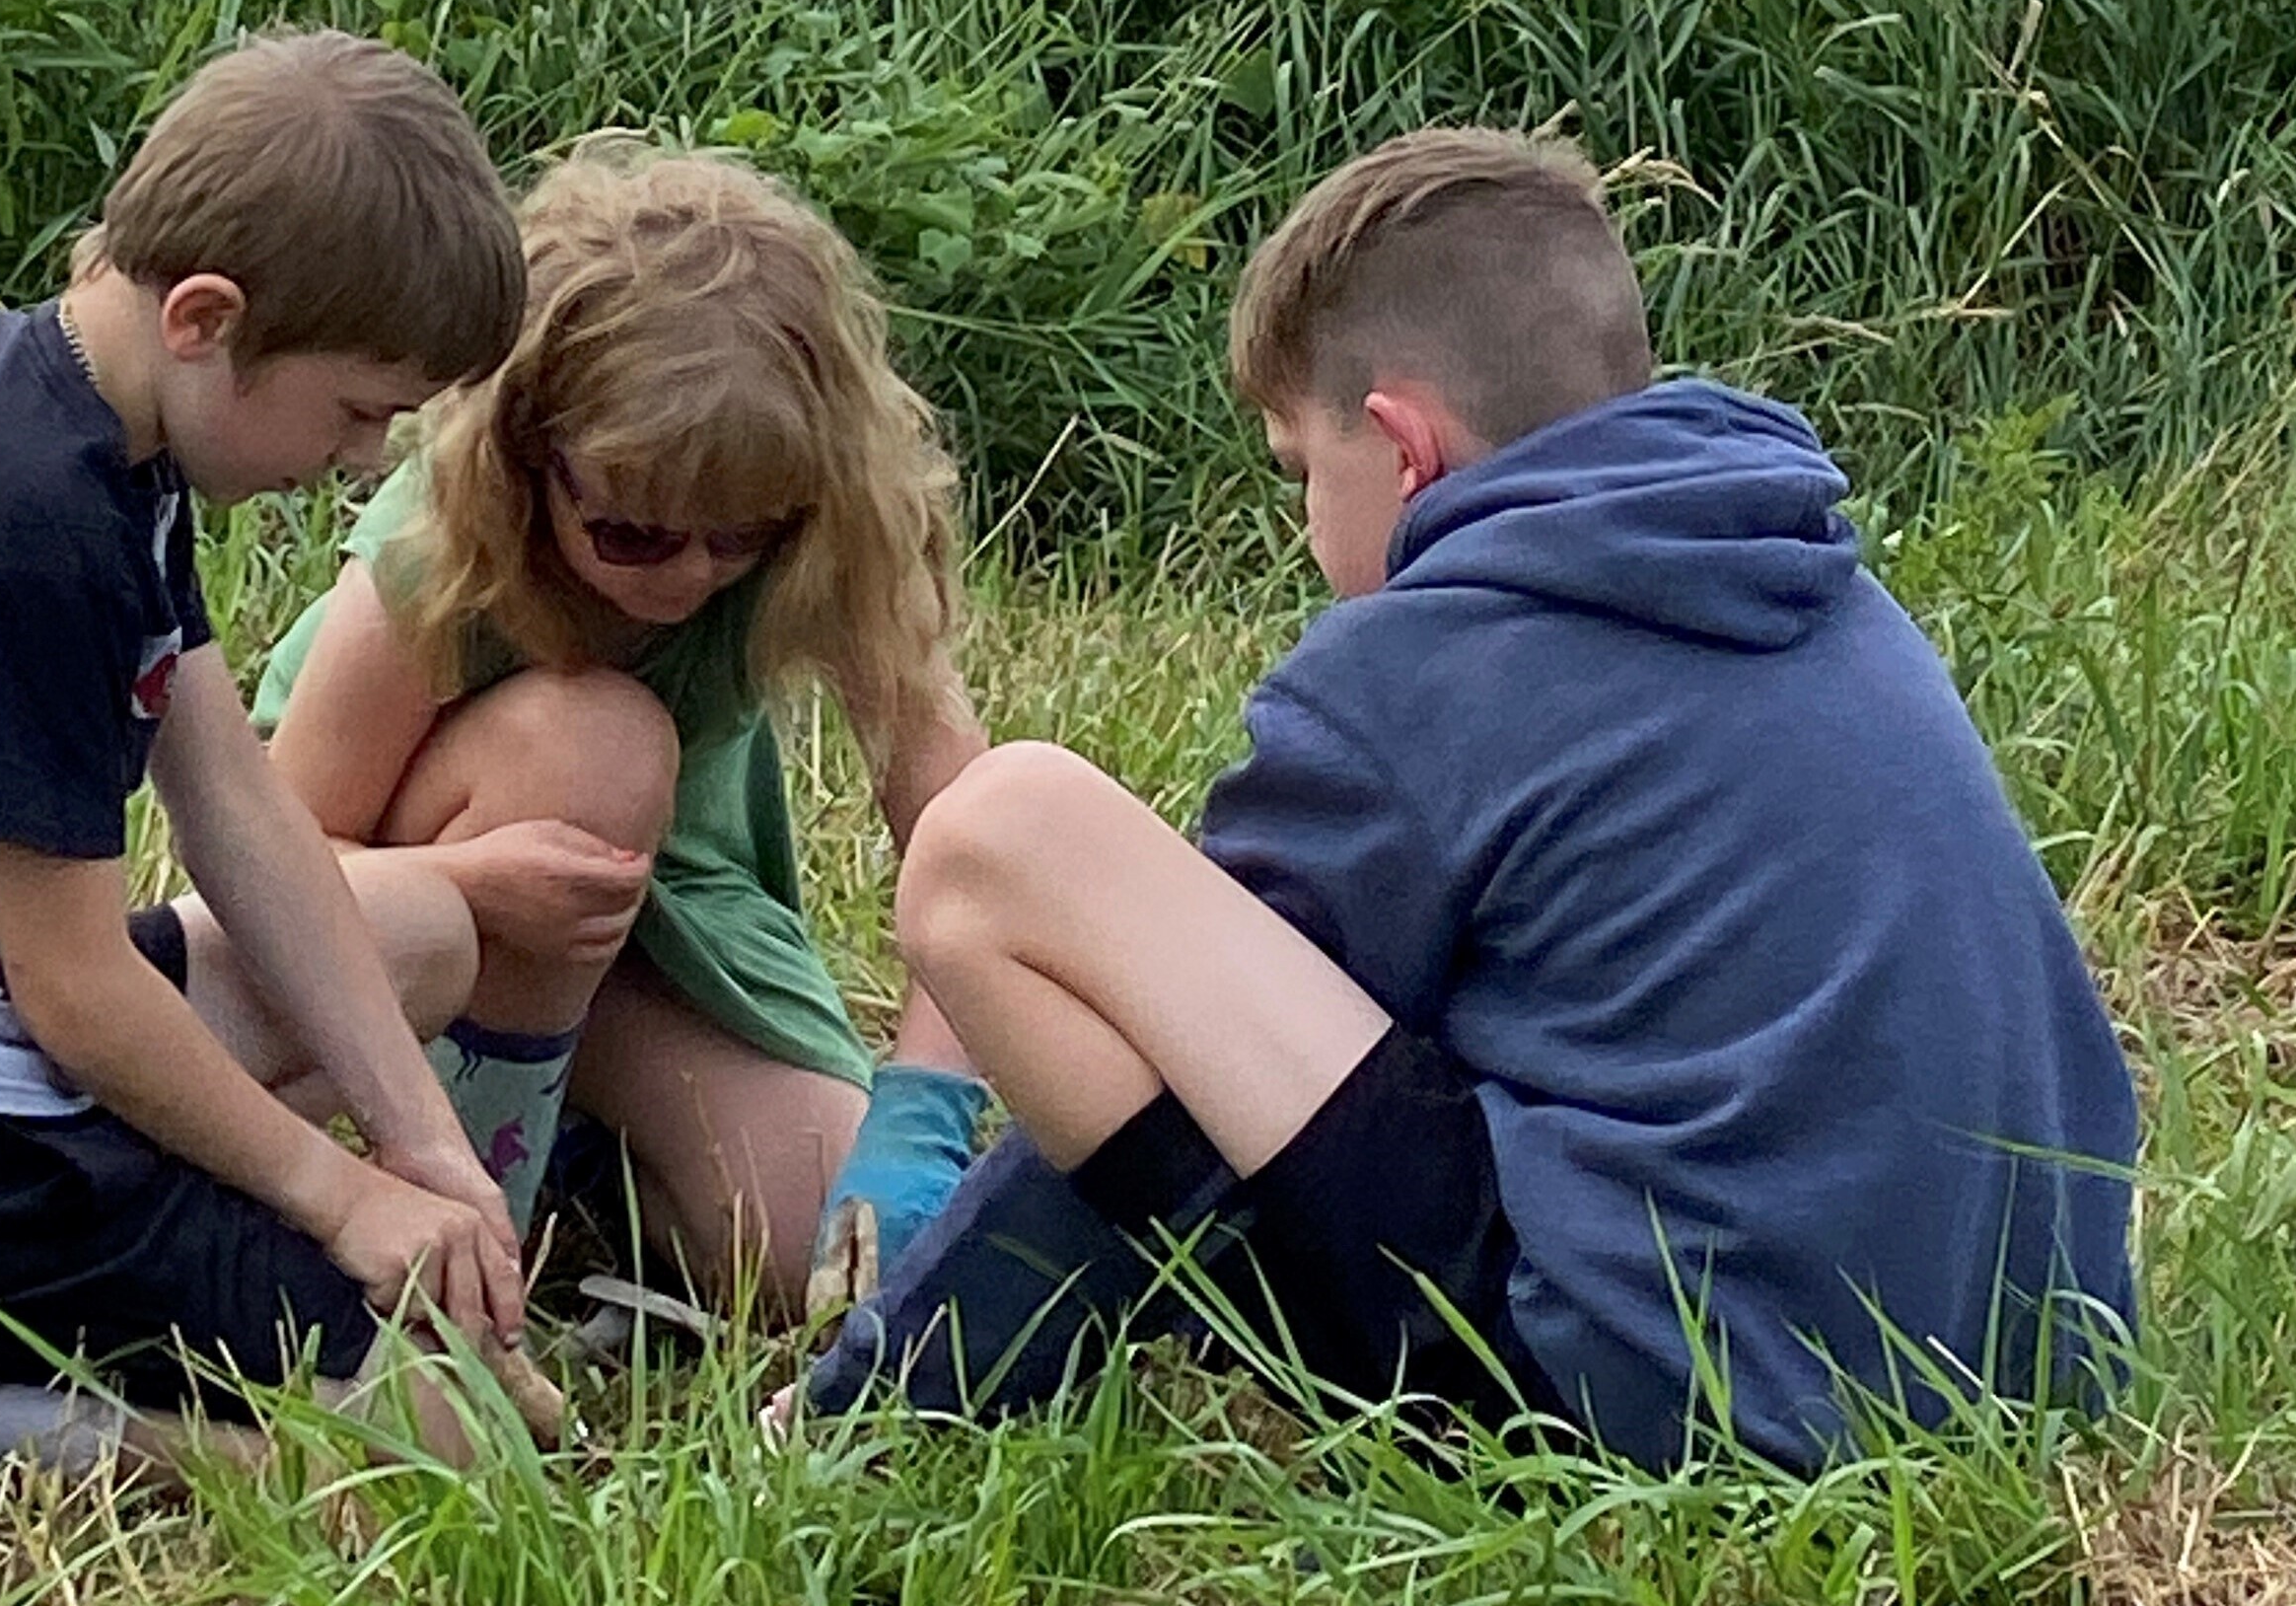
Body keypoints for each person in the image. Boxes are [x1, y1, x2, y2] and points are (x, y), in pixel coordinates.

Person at [799, 126, 2140, 1472]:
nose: (1302, 528)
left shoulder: (1420, 671)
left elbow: (1197, 1063)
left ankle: (895, 1419)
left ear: (1399, 445)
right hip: (2027, 1367)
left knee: (1001, 838)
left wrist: (862, 1400)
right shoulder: (1815, 581)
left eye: (1297, 472)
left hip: (1681, 1424)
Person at [0, 31, 541, 1487]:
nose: (368, 454)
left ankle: (35, 1294)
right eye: (357, 406)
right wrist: (336, 1198)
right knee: (462, 1435)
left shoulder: (84, 413)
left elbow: (232, 795)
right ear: (205, 313)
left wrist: (422, 1142)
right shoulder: (30, 524)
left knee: (421, 931)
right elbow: (68, 987)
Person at [158, 143, 993, 1316]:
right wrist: (469, 880)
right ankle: (482, 1183)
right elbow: (272, 868)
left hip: (655, 914)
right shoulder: (435, 552)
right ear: (529, 457)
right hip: (417, 895)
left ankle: (583, 1155)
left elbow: (978, 856)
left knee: (820, 1244)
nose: (694, 575)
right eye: (635, 535)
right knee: (592, 746)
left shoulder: (827, 528)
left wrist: (923, 1111)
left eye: (742, 537)